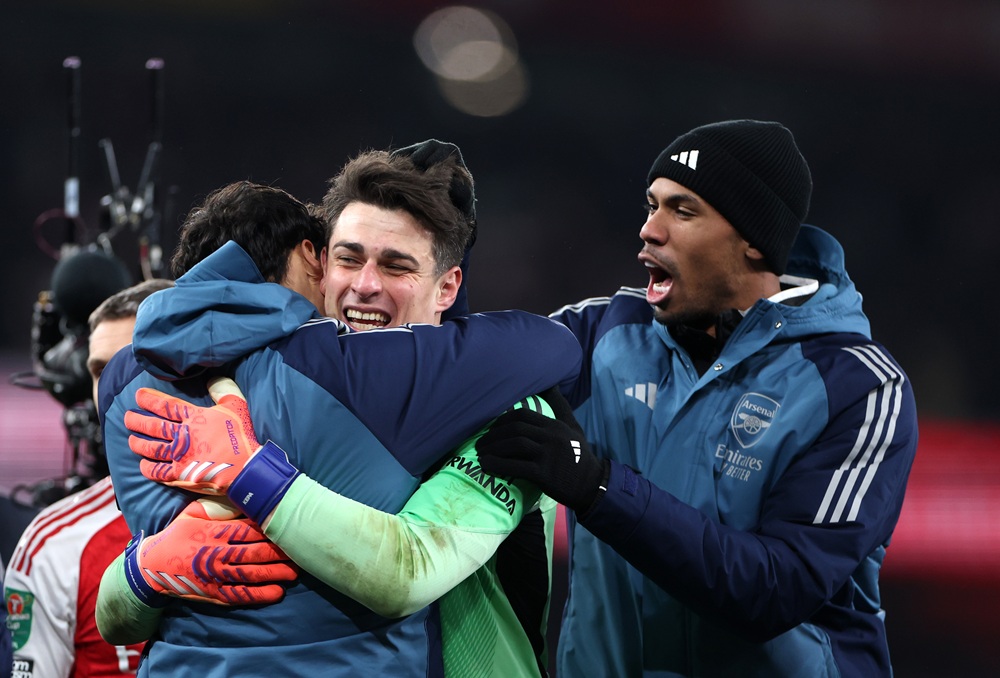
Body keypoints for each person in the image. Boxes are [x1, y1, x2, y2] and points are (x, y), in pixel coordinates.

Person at [97, 152, 579, 675]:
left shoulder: (511, 407)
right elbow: (119, 615)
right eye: (348, 259)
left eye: (396, 266)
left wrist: (251, 473)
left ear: (447, 287)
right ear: (319, 266)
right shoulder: (309, 382)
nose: (364, 284)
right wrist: (144, 570)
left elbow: (407, 572)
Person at [475, 119, 919, 676]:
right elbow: (458, 363)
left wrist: (598, 485)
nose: (649, 230)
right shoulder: (604, 334)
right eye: (651, 205)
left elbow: (776, 589)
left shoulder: (859, 387)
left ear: (752, 240)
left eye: (682, 212)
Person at [2, 279, 171, 677]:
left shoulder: (267, 503)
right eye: (100, 371)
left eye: (133, 363)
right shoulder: (55, 546)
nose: (113, 386)